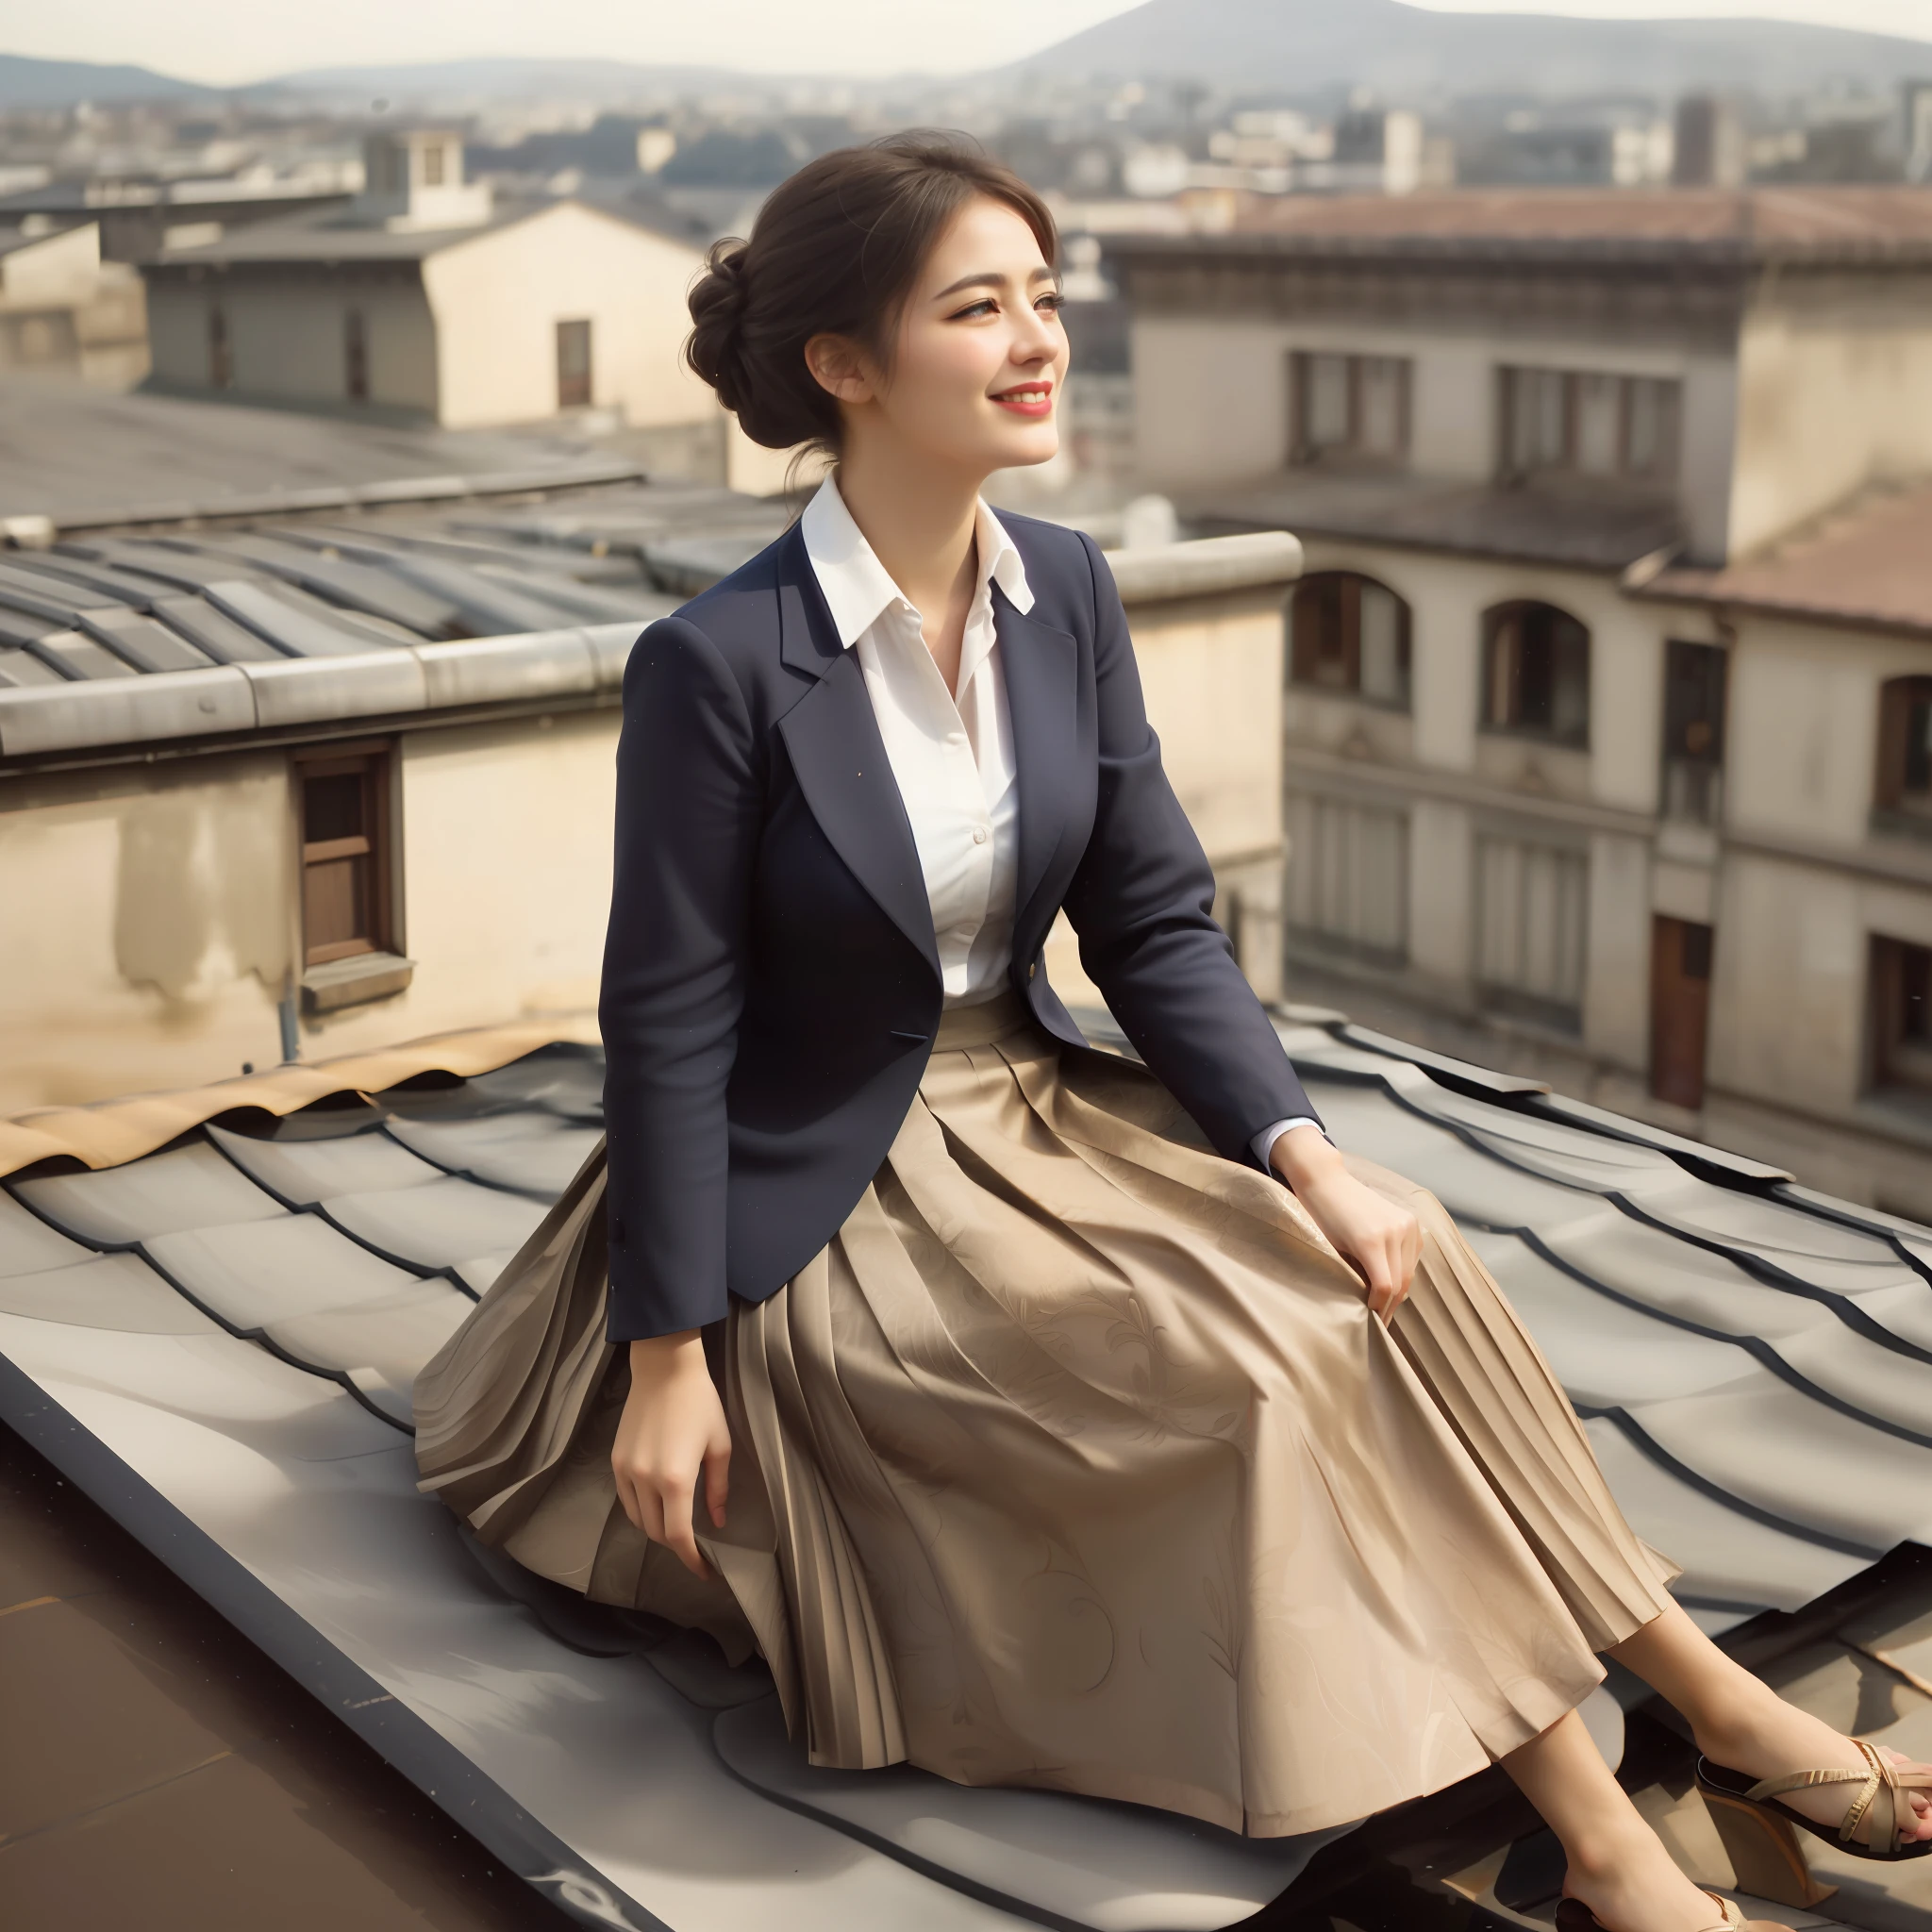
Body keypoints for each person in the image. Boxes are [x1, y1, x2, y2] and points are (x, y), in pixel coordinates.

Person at [414, 135, 1929, 1932]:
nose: (1039, 337)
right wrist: (671, 1359)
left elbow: (1148, 925)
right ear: (845, 364)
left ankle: (1709, 1694)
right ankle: (1605, 1837)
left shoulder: (1069, 591)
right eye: (979, 307)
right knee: (1270, 1371)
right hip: (825, 1173)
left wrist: (1308, 1151)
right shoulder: (721, 661)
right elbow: (665, 1016)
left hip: (1035, 1101)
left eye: (1047, 298)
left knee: (1401, 1266)